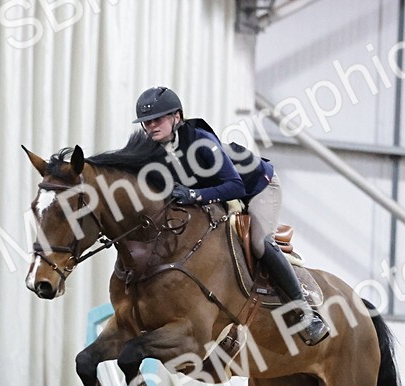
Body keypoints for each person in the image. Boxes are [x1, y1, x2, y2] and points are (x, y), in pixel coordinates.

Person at [132, 86, 330, 346]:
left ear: (177, 117)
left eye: (158, 119)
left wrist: (193, 196)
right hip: (217, 193)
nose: (151, 126)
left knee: (259, 242)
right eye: (146, 122)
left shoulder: (201, 141)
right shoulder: (154, 149)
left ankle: (306, 314)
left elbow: (235, 187)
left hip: (257, 187)